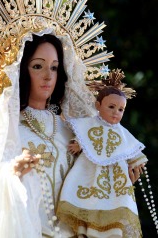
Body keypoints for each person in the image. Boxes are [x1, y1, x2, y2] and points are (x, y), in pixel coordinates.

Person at [0, 0, 141, 238]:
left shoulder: (75, 128)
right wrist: (11, 173)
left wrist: (117, 173)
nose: (47, 76)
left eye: (54, 68)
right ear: (21, 71)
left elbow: (91, 184)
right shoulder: (5, 126)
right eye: (37, 66)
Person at [56, 71, 148, 238]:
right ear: (98, 106)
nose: (116, 113)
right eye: (111, 107)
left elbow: (132, 149)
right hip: (88, 170)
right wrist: (79, 144)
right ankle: (86, 229)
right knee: (88, 200)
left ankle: (111, 232)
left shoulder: (122, 132)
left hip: (114, 177)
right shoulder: (90, 123)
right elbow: (84, 133)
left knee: (113, 203)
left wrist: (136, 162)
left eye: (121, 109)